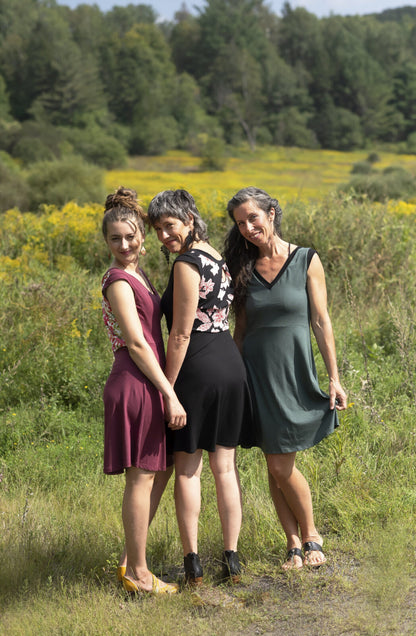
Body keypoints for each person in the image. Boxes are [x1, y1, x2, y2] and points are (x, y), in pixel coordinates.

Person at [224, 186, 347, 570]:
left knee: (280, 465)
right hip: (256, 376)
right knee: (273, 461)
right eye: (240, 223)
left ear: (271, 213)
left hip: (293, 372)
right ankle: (295, 542)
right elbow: (239, 332)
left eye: (253, 218)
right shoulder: (241, 268)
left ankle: (311, 535)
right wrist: (234, 379)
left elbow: (321, 321)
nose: (247, 228)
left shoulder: (307, 259)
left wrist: (334, 378)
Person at [147, 189, 252, 584]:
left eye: (169, 226)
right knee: (225, 467)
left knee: (188, 470)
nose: (162, 236)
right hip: (229, 364)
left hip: (198, 369)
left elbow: (179, 333)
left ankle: (192, 564)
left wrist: (167, 390)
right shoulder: (216, 258)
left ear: (189, 218)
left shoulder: (187, 264)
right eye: (157, 229)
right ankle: (232, 558)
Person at [101, 186, 186, 595]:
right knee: (141, 477)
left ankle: (130, 559)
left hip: (148, 381)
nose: (124, 244)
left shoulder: (138, 272)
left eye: (131, 236)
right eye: (115, 238)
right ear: (106, 241)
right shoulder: (118, 281)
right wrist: (168, 392)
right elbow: (136, 343)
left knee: (160, 469)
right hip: (136, 382)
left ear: (142, 236)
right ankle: (137, 573)